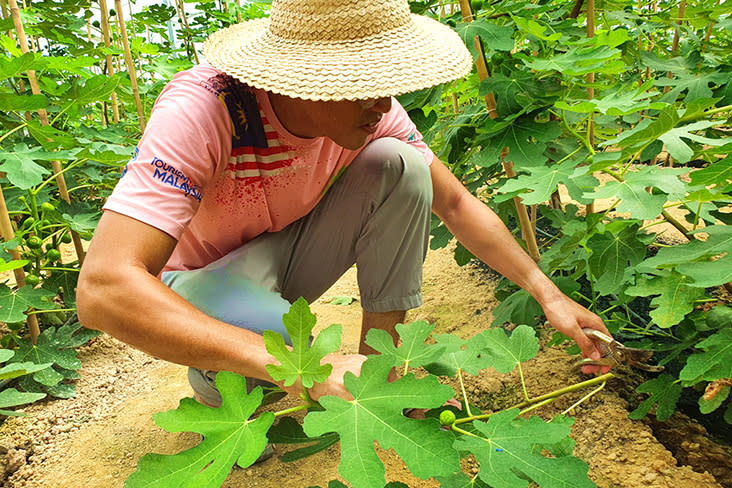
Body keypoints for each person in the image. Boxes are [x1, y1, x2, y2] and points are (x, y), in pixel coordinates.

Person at [77, 0, 610, 410]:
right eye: (362, 81)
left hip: (282, 251)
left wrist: (548, 294)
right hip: (196, 283)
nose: (382, 101)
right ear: (302, 77)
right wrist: (303, 369)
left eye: (385, 79)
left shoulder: (373, 110)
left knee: (398, 165)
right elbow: (103, 289)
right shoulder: (204, 110)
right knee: (283, 356)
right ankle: (226, 370)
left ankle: (377, 379)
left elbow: (456, 204)